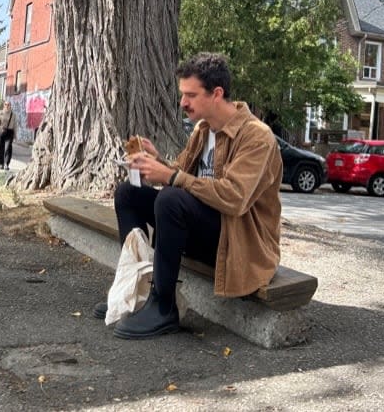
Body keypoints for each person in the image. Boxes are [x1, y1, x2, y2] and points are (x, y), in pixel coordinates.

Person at [98, 52, 283, 339]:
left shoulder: (256, 136)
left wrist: (170, 176)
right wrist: (159, 163)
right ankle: (133, 288)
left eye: (191, 95)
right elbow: (184, 175)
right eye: (183, 94)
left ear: (217, 93)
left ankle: (164, 307)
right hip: (206, 230)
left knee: (170, 199)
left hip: (239, 242)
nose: (183, 102)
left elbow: (235, 198)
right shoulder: (203, 130)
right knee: (128, 193)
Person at [0, 100, 16, 170]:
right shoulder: (1, 113)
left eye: (8, 105)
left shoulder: (13, 114)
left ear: (10, 106)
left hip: (10, 132)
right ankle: (0, 163)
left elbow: (15, 125)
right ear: (4, 105)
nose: (7, 106)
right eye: (5, 104)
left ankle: (6, 164)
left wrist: (15, 135)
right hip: (1, 131)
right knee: (0, 148)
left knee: (8, 148)